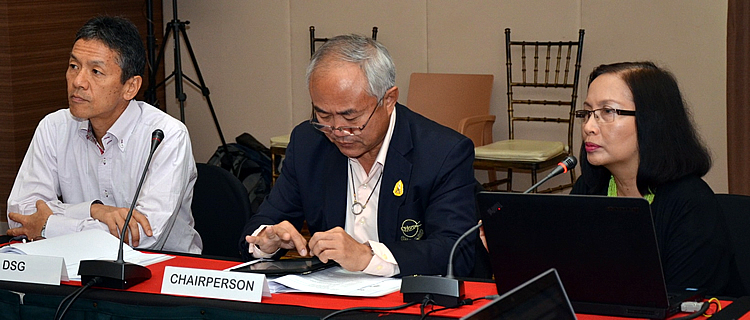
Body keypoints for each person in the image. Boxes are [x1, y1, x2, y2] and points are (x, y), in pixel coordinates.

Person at [240, 34, 477, 277]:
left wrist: (368, 257)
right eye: (323, 115)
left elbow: (458, 250)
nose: (338, 130)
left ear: (388, 100)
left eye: (351, 118)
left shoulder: (442, 152)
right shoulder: (308, 143)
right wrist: (266, 242)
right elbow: (262, 224)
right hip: (329, 296)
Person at [6, 16, 202, 253]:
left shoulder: (166, 136)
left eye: (96, 71)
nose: (78, 81)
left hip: (161, 272)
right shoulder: (54, 127)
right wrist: (93, 210)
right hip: (75, 267)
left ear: (130, 87)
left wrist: (51, 225)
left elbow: (143, 236)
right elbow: (20, 216)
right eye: (73, 66)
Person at [572, 61, 734, 295]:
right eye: (587, 113)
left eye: (607, 112)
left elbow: (684, 301)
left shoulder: (691, 203)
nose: (588, 126)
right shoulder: (589, 189)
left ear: (652, 121)